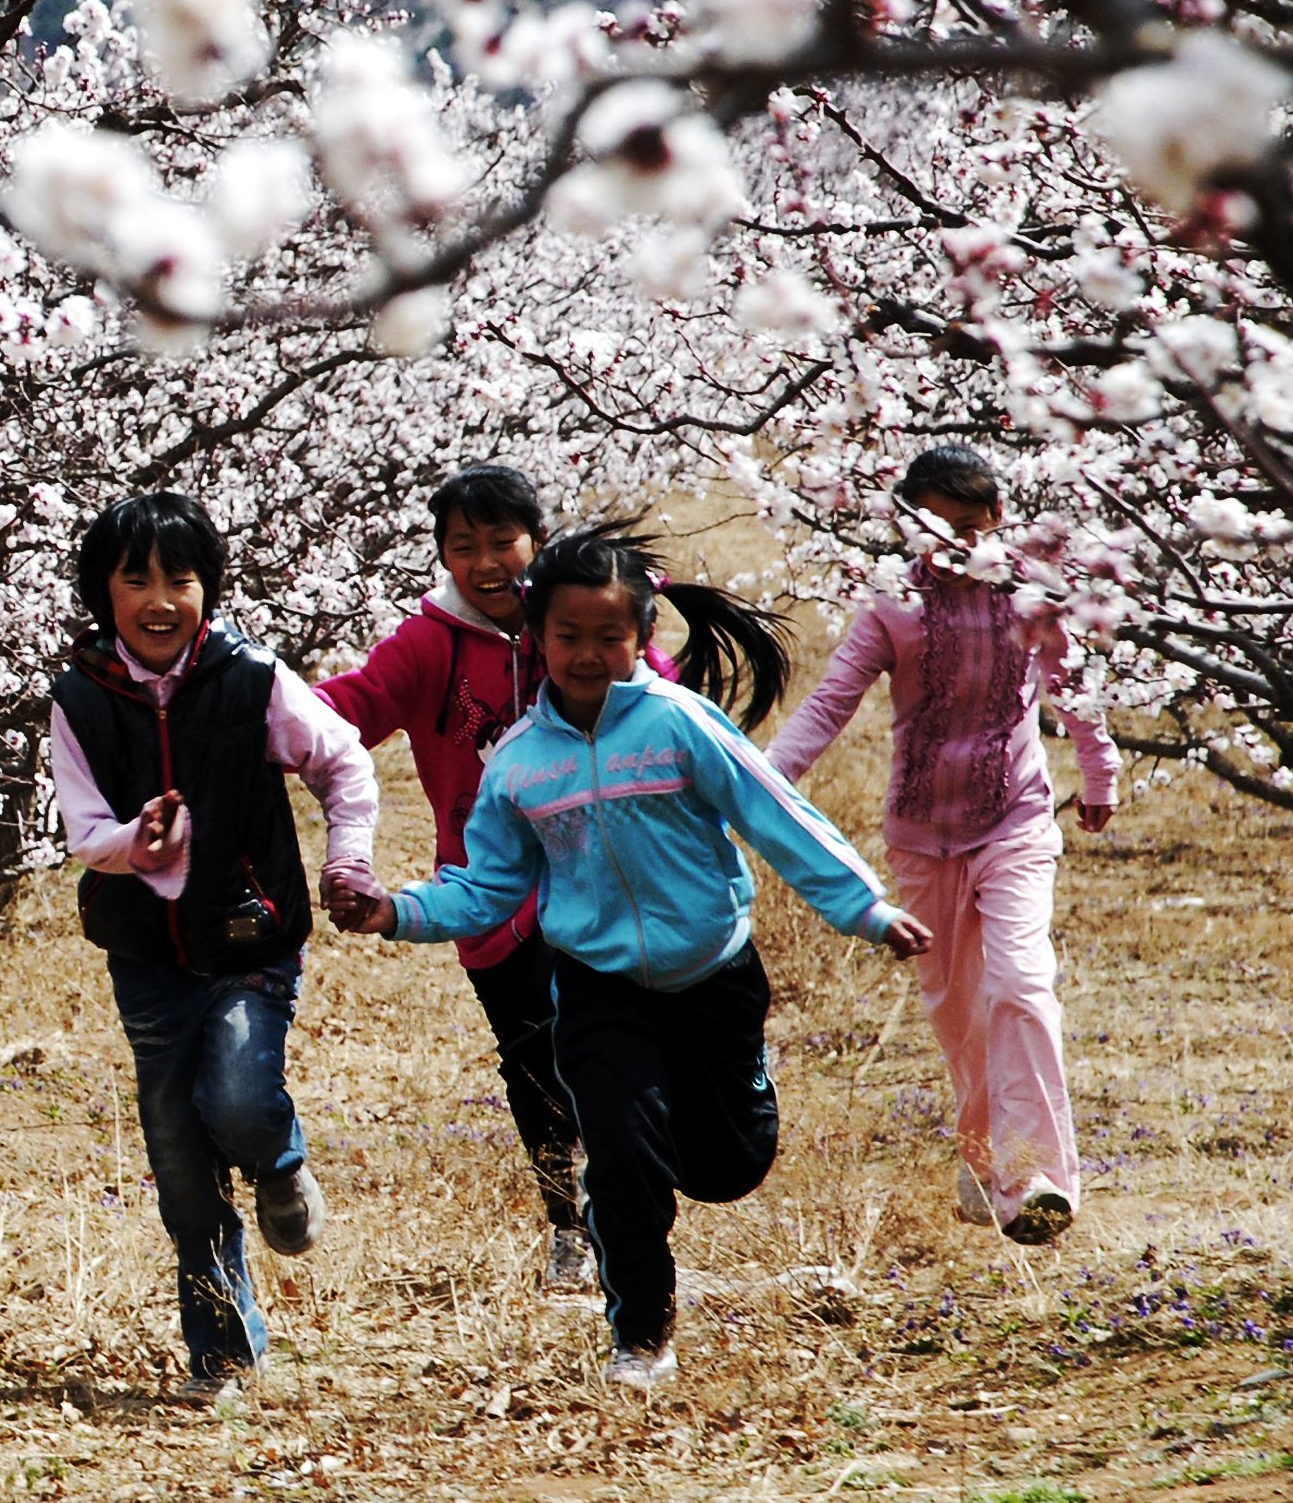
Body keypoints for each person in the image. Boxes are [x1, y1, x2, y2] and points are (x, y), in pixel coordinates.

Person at [330, 527, 930, 1392]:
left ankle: (718, 1112)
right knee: (619, 1155)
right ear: (537, 638)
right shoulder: (519, 764)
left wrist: (866, 909)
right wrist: (397, 911)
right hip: (597, 985)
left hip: (713, 976)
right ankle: (640, 1336)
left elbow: (777, 816)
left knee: (727, 1165)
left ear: (642, 634)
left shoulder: (679, 724)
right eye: (567, 635)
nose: (587, 654)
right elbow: (486, 886)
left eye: (608, 635)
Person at [48, 490, 381, 1391]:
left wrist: (347, 860)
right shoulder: (80, 697)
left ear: (210, 588)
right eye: (136, 580)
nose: (160, 600)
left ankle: (278, 1159)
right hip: (146, 956)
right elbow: (85, 830)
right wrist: (135, 842)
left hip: (248, 938)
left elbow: (344, 762)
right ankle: (223, 1353)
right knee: (182, 1168)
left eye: (181, 579)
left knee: (237, 1094)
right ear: (102, 592)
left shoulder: (252, 679)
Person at [766, 444, 1121, 1248]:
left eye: (968, 525)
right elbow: (829, 702)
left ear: (998, 518)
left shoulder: (1033, 600)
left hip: (1015, 822)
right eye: (932, 527)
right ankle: (985, 1156)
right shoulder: (892, 605)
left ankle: (1036, 1179)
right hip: (922, 840)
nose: (953, 542)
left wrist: (1099, 774)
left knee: (1021, 983)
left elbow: (1075, 692)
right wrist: (761, 784)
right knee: (961, 1014)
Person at [315, 463, 596, 1292]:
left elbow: (652, 687)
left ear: (537, 541)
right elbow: (352, 706)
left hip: (597, 876)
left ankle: (622, 1203)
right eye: (463, 546)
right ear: (442, 556)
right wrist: (243, 708)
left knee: (601, 1041)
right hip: (485, 890)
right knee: (531, 1060)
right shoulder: (428, 643)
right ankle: (569, 1226)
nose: (485, 563)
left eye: (502, 541)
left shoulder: (574, 619)